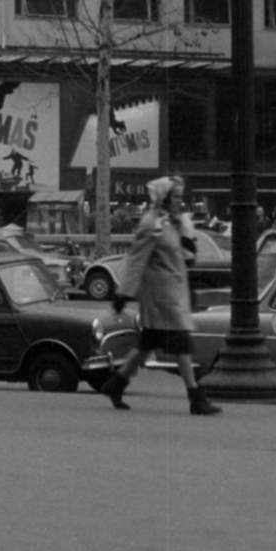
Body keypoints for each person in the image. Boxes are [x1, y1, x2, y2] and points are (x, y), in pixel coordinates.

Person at [100, 176, 221, 417]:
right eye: (175, 196)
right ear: (164, 198)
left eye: (180, 197)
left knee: (147, 345)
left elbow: (183, 259)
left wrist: (189, 242)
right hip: (161, 297)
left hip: (173, 294)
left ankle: (116, 384)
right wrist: (124, 292)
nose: (179, 201)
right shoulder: (151, 224)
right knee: (182, 344)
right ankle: (195, 398)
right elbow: (136, 259)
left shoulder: (173, 223)